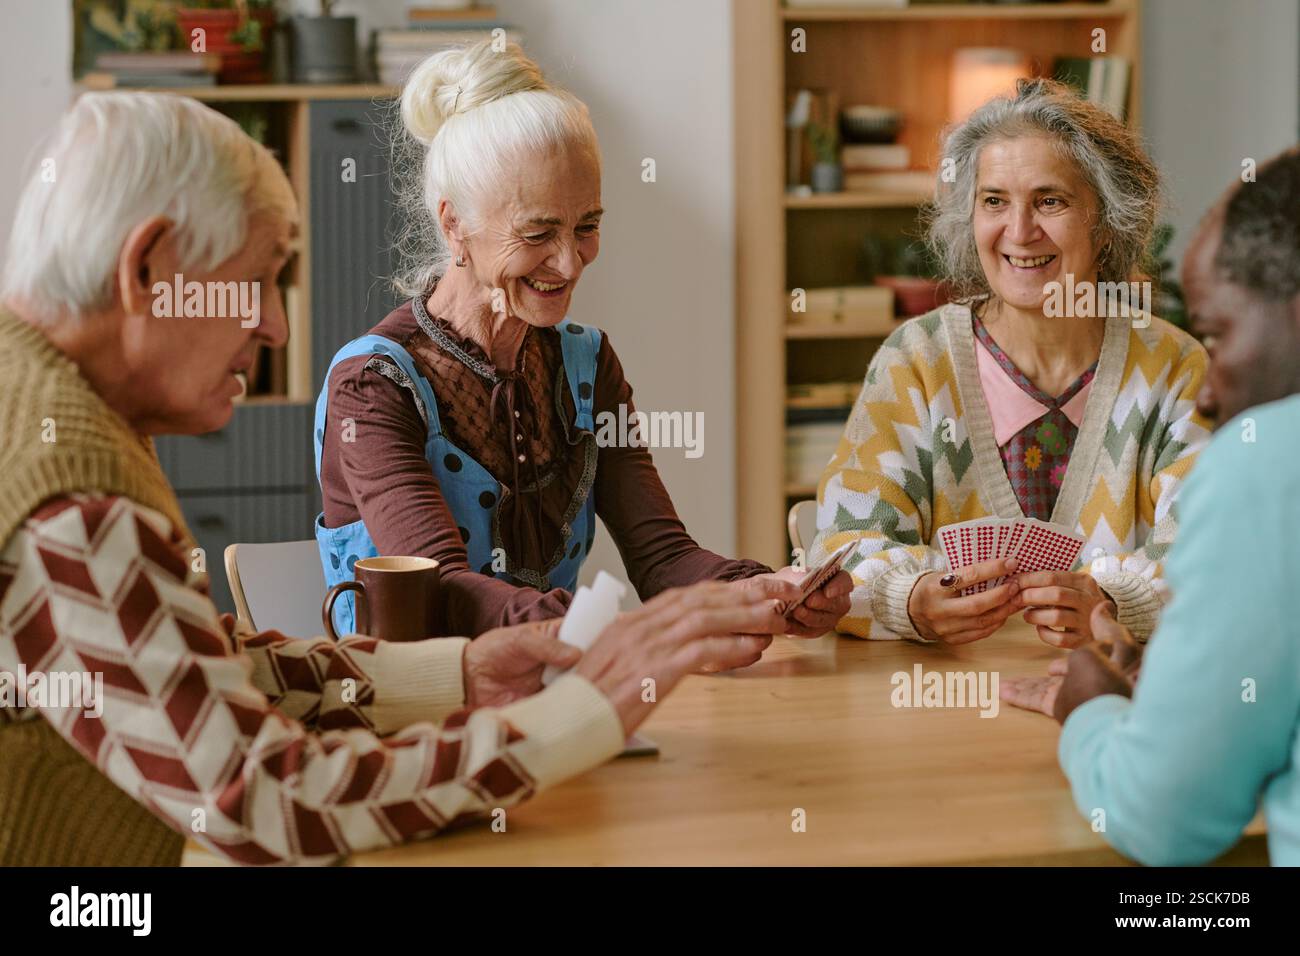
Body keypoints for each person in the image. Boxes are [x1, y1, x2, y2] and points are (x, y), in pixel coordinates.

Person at [0, 91, 788, 866]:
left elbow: (212, 664)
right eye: (260, 280)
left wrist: (455, 673)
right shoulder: (70, 496)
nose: (275, 325)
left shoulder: (45, 411)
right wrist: (580, 715)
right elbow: (273, 802)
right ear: (148, 268)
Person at [315, 39, 851, 639]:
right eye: (538, 231)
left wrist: (755, 590)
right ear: (454, 223)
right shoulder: (371, 385)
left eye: (587, 227)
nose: (569, 264)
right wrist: (629, 630)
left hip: (548, 692)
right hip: (407, 707)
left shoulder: (586, 363)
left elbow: (662, 557)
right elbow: (441, 594)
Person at [813, 79, 1211, 646]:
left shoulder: (1175, 366)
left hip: (1110, 701)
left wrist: (1118, 604)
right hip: (937, 710)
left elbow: (1215, 558)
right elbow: (841, 552)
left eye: (1050, 200)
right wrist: (909, 600)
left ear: (1106, 223)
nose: (1019, 232)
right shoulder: (916, 360)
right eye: (994, 201)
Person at [1001, 149, 1300, 866]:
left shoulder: (1266, 461)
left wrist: (1092, 709)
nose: (1205, 392)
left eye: (1219, 334)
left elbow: (1162, 819)